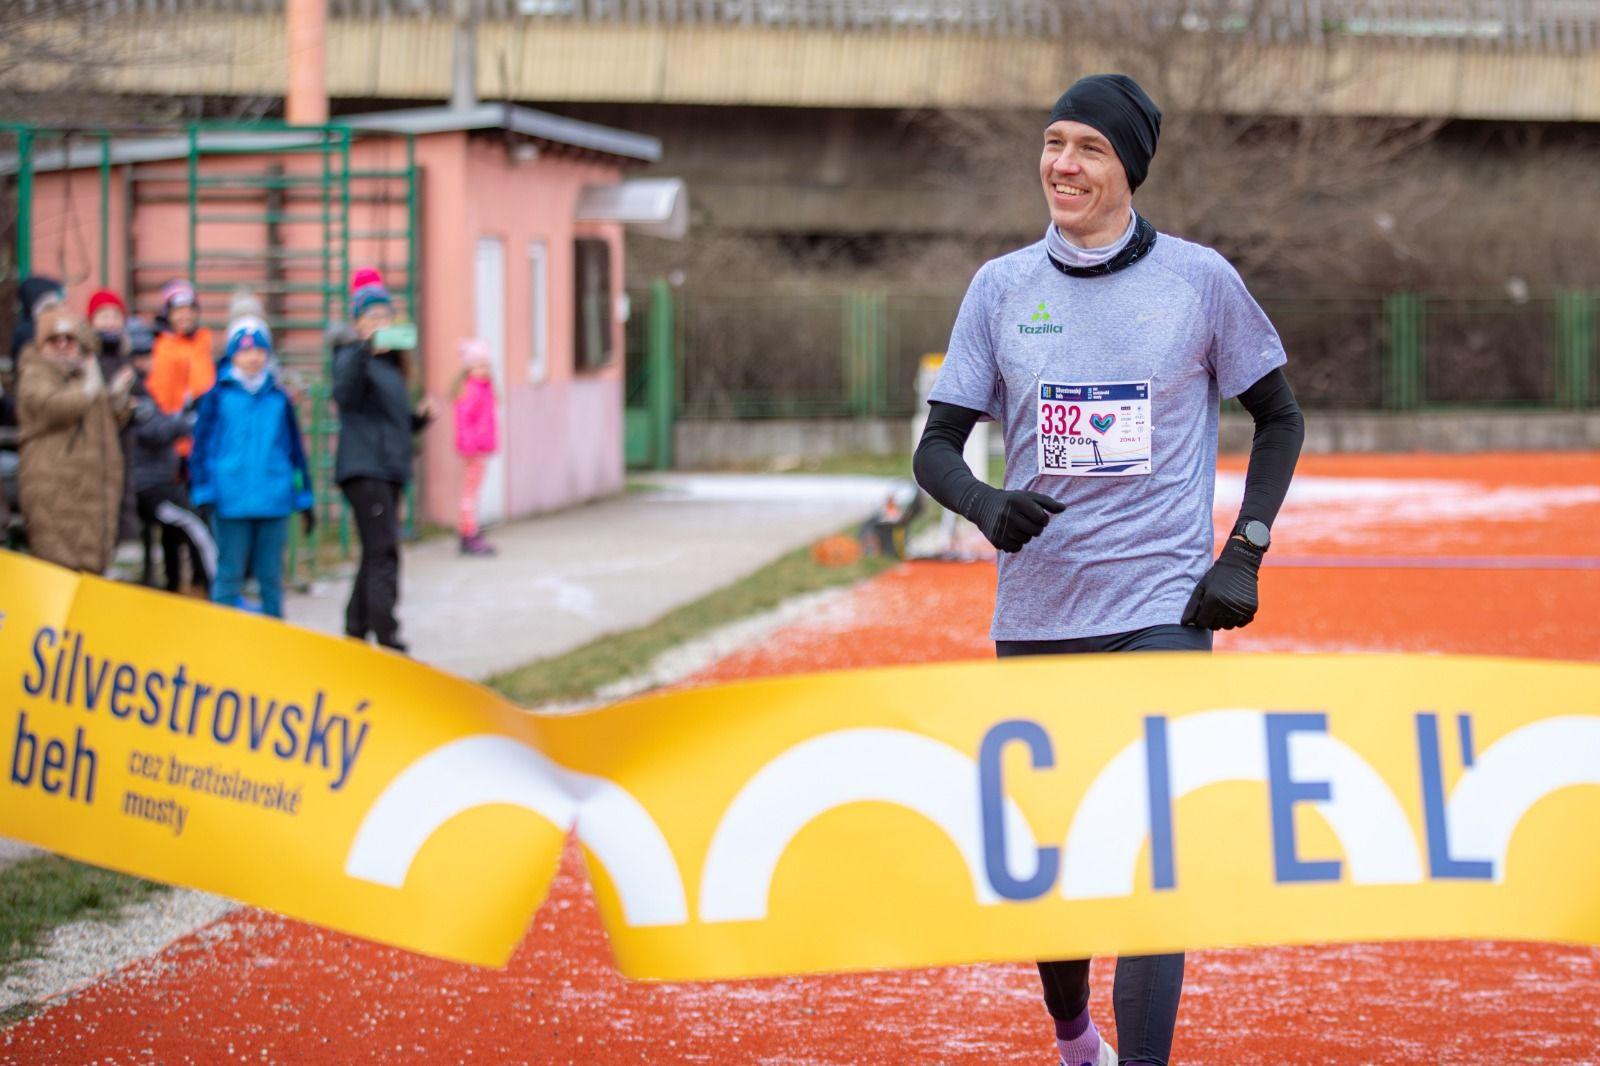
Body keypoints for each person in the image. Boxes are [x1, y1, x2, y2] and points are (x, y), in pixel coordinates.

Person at [912, 74, 1305, 1066]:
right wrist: (985, 504)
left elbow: (1280, 417)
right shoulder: (1001, 288)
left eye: (1089, 147)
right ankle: (1073, 1032)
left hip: (1161, 607)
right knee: (1056, 863)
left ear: (1128, 167)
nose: (1064, 164)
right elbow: (936, 448)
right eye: (1054, 142)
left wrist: (1244, 550)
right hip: (1040, 613)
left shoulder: (1198, 281)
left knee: (1150, 860)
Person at [332, 268, 432, 651]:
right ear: (358, 321)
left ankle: (356, 631)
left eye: (385, 315)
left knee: (374, 553)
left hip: (389, 469)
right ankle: (388, 637)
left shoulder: (391, 367)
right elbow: (345, 395)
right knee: (384, 553)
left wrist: (420, 418)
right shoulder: (351, 356)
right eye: (372, 316)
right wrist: (363, 347)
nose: (381, 322)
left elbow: (393, 422)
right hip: (365, 470)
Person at [190, 324, 314, 618]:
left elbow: (294, 451)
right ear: (233, 356)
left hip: (273, 499)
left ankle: (273, 635)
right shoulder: (218, 396)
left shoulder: (278, 398)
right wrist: (203, 491)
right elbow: (201, 446)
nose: (253, 357)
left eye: (259, 351)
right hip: (231, 499)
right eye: (246, 351)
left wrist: (304, 496)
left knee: (271, 577)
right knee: (229, 573)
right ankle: (222, 634)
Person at [15, 306, 136, 573]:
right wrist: (89, 389)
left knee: (90, 570)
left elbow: (103, 422)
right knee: (56, 569)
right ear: (41, 344)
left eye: (69, 340)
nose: (62, 345)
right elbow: (52, 407)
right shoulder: (35, 372)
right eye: (54, 340)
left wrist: (115, 399)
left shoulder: (83, 372)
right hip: (55, 491)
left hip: (92, 492)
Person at [128, 317, 216, 595]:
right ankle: (219, 591)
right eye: (139, 355)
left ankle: (177, 589)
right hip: (149, 484)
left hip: (161, 477)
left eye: (148, 354)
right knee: (195, 525)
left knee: (176, 531)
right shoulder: (132, 388)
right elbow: (154, 430)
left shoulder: (147, 388)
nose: (145, 361)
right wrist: (185, 421)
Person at [88, 288, 141, 544]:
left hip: (126, 441)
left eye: (115, 315)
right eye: (103, 316)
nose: (110, 322)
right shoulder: (87, 358)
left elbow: (141, 395)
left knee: (123, 495)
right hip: (96, 442)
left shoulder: (126, 356)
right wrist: (117, 393)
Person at [452, 339, 498, 557]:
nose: (484, 370)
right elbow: (464, 421)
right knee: (469, 494)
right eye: (479, 365)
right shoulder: (471, 390)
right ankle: (468, 533)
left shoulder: (484, 388)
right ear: (469, 368)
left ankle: (471, 530)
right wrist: (470, 446)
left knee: (473, 492)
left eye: (486, 365)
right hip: (473, 450)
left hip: (480, 449)